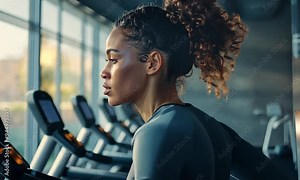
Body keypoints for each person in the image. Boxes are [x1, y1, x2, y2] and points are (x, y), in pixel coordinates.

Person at [100, 0, 290, 179]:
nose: (104, 72)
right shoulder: (215, 128)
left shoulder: (154, 132)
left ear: (152, 63)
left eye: (114, 60)